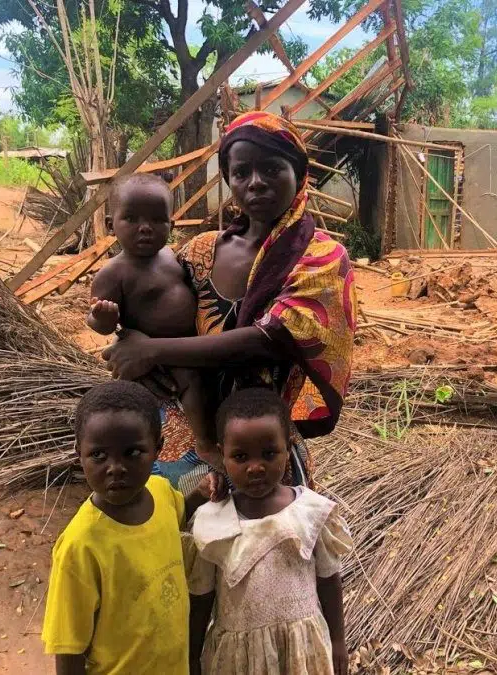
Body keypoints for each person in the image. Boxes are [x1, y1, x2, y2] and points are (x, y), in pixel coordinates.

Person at [101, 111, 356, 497]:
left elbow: (268, 339)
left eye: (271, 168)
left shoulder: (321, 256)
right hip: (183, 427)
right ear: (229, 179)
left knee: (261, 545)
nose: (255, 183)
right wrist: (135, 353)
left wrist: (152, 350)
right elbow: (150, 309)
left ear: (300, 173)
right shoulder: (201, 249)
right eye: (241, 173)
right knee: (179, 540)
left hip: (260, 445)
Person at [186, 387, 352, 675]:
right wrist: (192, 656)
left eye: (268, 453)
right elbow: (201, 597)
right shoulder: (211, 523)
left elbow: (328, 580)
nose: (255, 467)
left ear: (287, 449)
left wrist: (338, 641)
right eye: (240, 457)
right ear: (220, 455)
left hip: (303, 651)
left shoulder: (312, 512)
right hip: (238, 659)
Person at [41, 381, 190, 675]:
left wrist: (210, 489)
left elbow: (181, 513)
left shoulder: (161, 492)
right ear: (78, 453)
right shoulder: (80, 546)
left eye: (132, 453)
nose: (115, 467)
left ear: (158, 448)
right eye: (99, 455)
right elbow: (69, 651)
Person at [86, 174, 214, 459]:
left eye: (157, 220)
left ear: (172, 224)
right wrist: (105, 317)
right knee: (190, 383)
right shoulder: (114, 272)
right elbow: (97, 323)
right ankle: (205, 443)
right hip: (158, 353)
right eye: (131, 219)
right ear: (110, 224)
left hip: (186, 344)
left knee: (204, 383)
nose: (145, 229)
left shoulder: (172, 256)